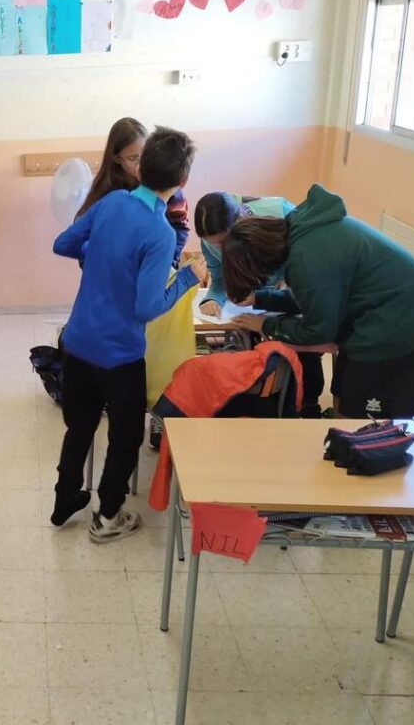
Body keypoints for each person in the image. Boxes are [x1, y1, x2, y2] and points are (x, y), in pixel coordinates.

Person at [52, 128, 207, 542]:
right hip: (119, 356)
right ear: (183, 180)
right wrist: (188, 277)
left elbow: (63, 244)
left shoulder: (111, 202)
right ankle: (107, 516)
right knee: (125, 438)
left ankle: (65, 498)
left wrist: (99, 256)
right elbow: (147, 308)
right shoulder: (159, 232)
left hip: (78, 342)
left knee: (79, 427)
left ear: (141, 168)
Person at [221, 184, 414, 419]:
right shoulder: (299, 232)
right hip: (380, 311)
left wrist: (266, 325)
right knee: (342, 396)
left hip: (399, 321)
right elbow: (314, 299)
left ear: (260, 258)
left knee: (362, 419)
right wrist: (260, 298)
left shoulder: (306, 259)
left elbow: (318, 330)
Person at [194, 192, 325, 418]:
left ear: (239, 224)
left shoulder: (281, 213)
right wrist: (212, 298)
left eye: (222, 241)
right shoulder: (211, 242)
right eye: (210, 242)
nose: (218, 247)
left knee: (302, 348)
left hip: (295, 290)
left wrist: (287, 280)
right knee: (255, 344)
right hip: (260, 299)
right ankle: (269, 401)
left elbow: (307, 261)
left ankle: (308, 406)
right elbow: (219, 279)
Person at [76, 117, 190, 268]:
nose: (140, 163)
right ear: (117, 159)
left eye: (144, 155)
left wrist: (167, 261)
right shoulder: (106, 195)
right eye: (133, 158)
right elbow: (83, 241)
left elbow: (180, 227)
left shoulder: (163, 178)